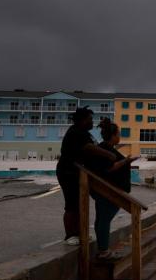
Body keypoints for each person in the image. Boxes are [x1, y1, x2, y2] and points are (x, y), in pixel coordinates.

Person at [56, 106, 117, 245]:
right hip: (68, 172)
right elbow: (88, 148)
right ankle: (70, 235)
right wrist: (108, 154)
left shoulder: (84, 133)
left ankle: (79, 233)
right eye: (89, 119)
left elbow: (95, 146)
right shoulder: (75, 132)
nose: (92, 122)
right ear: (82, 120)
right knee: (71, 204)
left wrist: (105, 130)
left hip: (78, 173)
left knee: (79, 204)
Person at [89, 118, 138, 260]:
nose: (119, 136)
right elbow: (108, 169)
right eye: (118, 134)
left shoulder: (106, 148)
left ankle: (103, 249)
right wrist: (126, 161)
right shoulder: (104, 149)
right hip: (108, 192)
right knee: (104, 220)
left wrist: (126, 161)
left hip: (109, 191)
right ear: (112, 136)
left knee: (102, 219)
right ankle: (103, 251)